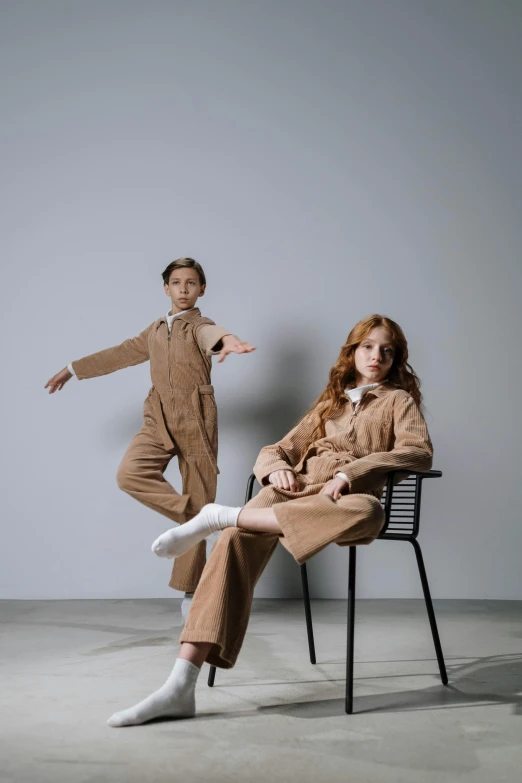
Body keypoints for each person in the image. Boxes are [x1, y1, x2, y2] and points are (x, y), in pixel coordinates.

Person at [106, 314, 433, 727]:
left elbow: (419, 452)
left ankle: (221, 515)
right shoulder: (329, 402)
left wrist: (351, 473)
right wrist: (274, 468)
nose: (377, 356)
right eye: (368, 347)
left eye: (387, 351)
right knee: (232, 542)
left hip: (343, 501)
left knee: (369, 511)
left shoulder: (398, 402)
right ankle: (178, 686)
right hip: (296, 490)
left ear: (396, 359)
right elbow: (277, 448)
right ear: (352, 352)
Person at [45, 258, 255, 608]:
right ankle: (200, 518)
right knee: (130, 474)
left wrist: (228, 341)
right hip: (157, 416)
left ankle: (193, 590)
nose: (183, 289)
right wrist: (73, 369)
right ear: (166, 288)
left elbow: (211, 335)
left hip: (197, 418)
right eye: (176, 282)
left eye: (191, 283)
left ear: (202, 289)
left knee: (201, 491)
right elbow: (121, 353)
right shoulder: (155, 330)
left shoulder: (199, 324)